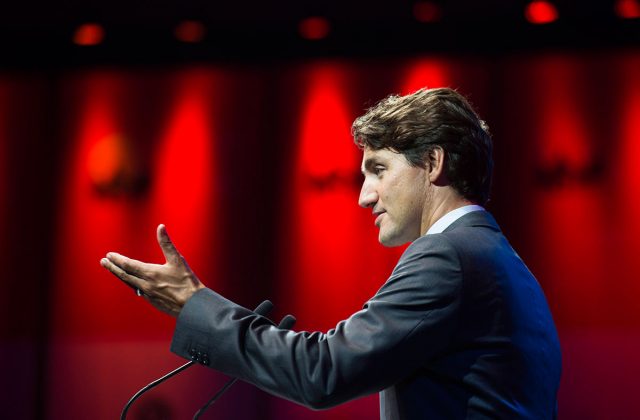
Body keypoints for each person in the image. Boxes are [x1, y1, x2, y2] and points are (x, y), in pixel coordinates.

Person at [101, 87, 562, 419]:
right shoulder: (504, 264)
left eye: (378, 170)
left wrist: (193, 304)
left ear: (434, 163)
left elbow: (323, 372)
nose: (365, 196)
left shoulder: (447, 257)